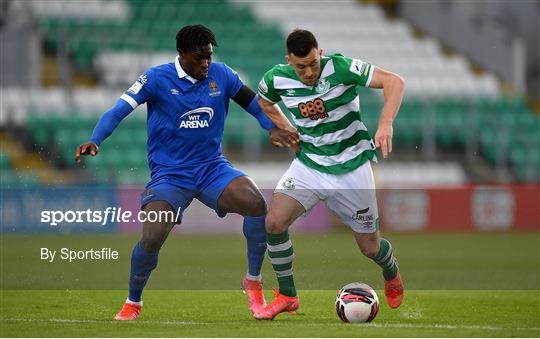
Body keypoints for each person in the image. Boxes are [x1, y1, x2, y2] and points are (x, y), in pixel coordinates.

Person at [74, 24, 297, 321]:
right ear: (181, 54)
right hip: (170, 175)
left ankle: (253, 281)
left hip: (212, 168)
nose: (206, 63)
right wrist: (95, 138)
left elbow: (255, 105)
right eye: (199, 57)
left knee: (255, 203)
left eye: (209, 56)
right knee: (152, 237)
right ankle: (133, 301)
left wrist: (272, 128)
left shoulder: (223, 75)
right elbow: (118, 109)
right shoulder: (155, 78)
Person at [254, 28, 405, 320]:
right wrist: (284, 129)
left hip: (352, 167)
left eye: (313, 63)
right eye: (301, 67)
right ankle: (287, 295)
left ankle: (391, 270)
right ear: (288, 61)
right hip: (310, 164)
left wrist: (386, 123)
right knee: (273, 222)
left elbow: (394, 81)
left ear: (320, 53)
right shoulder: (275, 78)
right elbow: (264, 101)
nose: (309, 72)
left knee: (370, 247)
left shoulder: (341, 67)